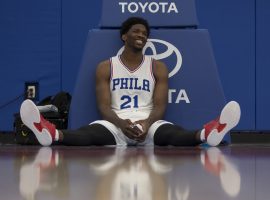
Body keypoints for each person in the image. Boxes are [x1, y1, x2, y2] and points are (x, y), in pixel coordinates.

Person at [20, 17, 241, 147]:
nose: (141, 35)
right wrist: (121, 123)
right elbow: (104, 107)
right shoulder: (106, 66)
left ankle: (208, 134)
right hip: (117, 123)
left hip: (149, 122)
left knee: (172, 133)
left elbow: (160, 106)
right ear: (124, 36)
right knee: (89, 134)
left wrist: (146, 123)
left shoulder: (157, 67)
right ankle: (51, 134)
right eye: (136, 31)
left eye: (145, 33)